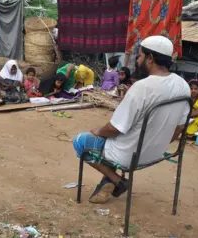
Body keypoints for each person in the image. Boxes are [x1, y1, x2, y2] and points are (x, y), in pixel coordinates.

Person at [72, 35, 191, 204]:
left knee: (81, 141)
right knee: (116, 137)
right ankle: (110, 180)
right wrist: (160, 142)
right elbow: (180, 127)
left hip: (129, 155)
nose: (137, 60)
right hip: (157, 152)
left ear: (150, 59)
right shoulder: (183, 85)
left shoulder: (141, 87)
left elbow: (115, 128)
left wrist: (98, 130)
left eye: (140, 56)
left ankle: (117, 180)